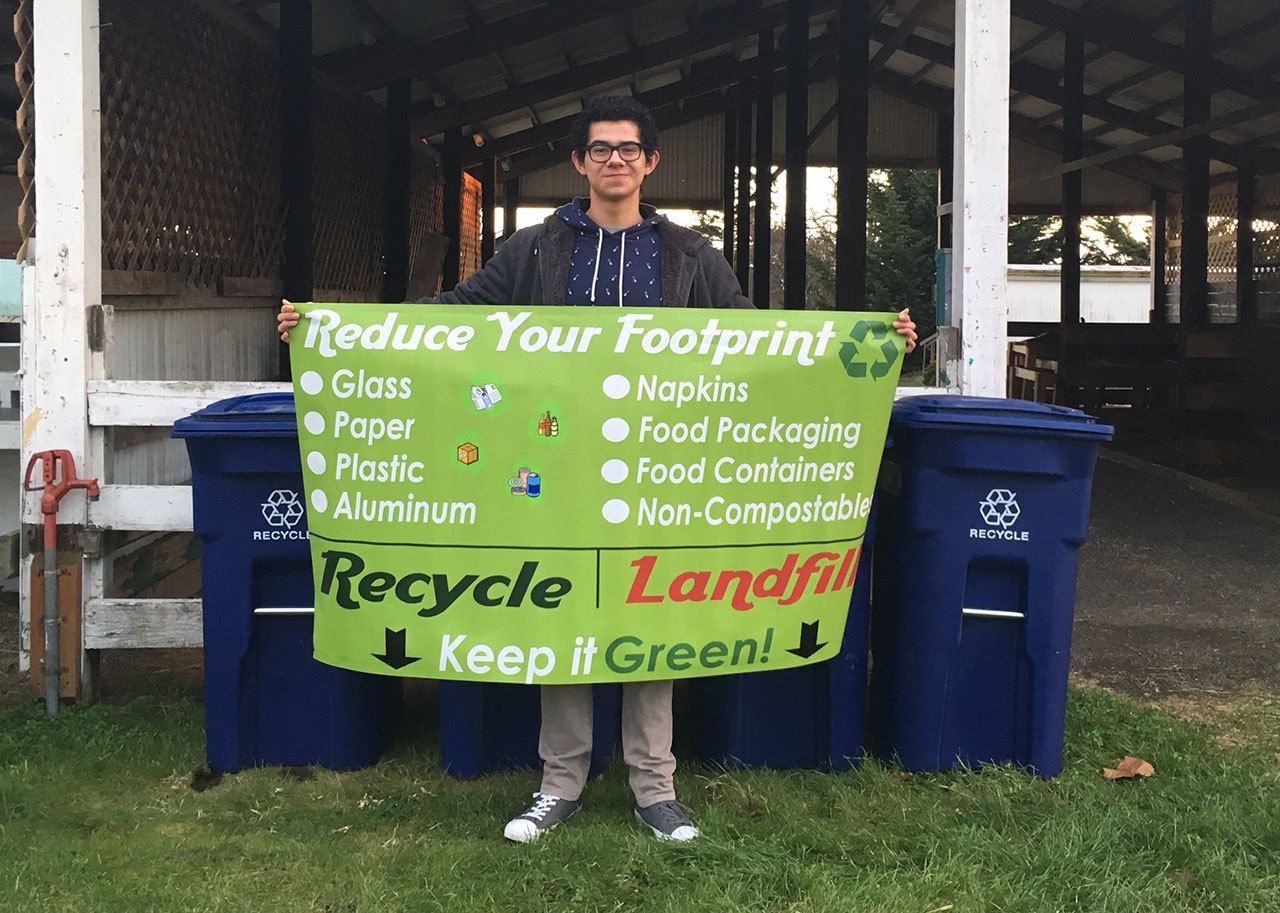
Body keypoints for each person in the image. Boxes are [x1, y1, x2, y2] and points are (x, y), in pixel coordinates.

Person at [278, 95, 917, 844]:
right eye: (599, 149)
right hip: (552, 466)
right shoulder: (536, 248)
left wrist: (872, 340)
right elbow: (457, 314)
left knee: (651, 618)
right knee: (563, 617)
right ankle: (559, 783)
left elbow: (757, 337)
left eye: (629, 149)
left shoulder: (689, 255)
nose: (615, 160)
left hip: (655, 467)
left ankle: (657, 789)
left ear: (650, 162)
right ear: (579, 162)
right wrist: (333, 328)